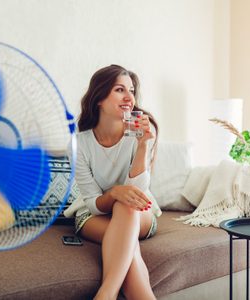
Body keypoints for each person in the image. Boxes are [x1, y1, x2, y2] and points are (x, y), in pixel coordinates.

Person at [66, 64, 161, 300]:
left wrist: (143, 146)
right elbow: (93, 204)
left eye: (131, 90)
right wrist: (115, 193)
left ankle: (105, 295)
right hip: (93, 215)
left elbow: (138, 195)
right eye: (120, 90)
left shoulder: (140, 134)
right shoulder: (80, 144)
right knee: (128, 249)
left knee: (126, 206)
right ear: (99, 98)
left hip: (140, 212)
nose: (130, 97)